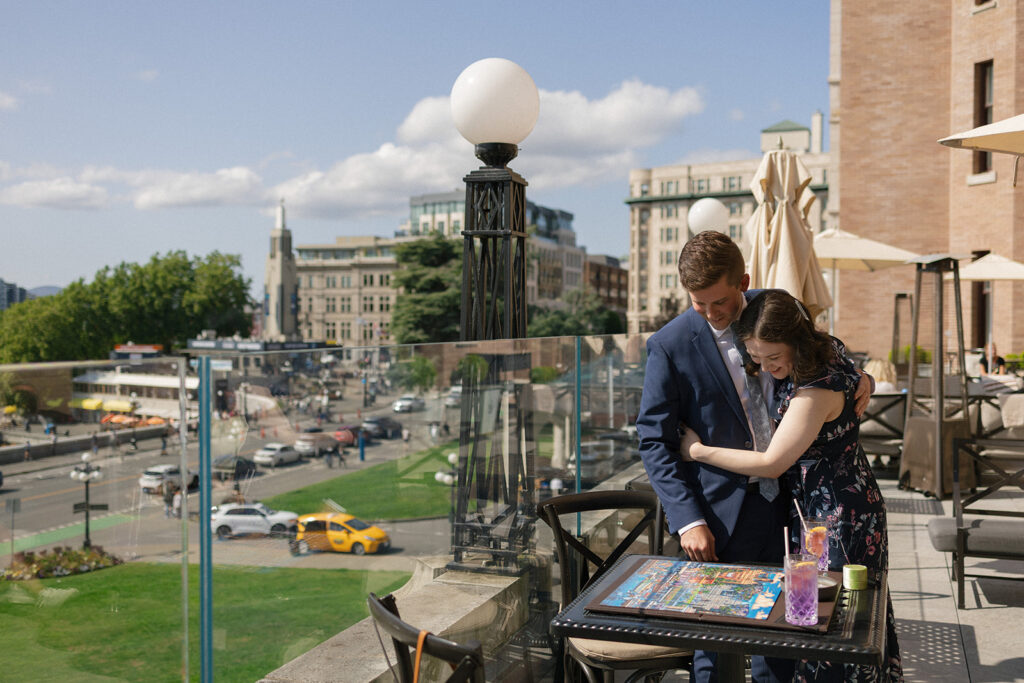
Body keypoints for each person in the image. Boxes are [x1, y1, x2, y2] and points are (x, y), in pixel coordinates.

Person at [637, 232, 873, 683]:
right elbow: (653, 440)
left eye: (720, 302)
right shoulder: (669, 344)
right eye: (698, 303)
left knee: (786, 640)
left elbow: (822, 351)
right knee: (714, 647)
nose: (711, 313)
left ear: (744, 281)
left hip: (795, 505)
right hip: (719, 516)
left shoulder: (777, 307)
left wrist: (863, 376)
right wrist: (688, 520)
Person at [680, 290, 902, 682]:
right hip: (834, 507)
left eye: (773, 358)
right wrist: (862, 376)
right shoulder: (827, 349)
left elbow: (771, 463)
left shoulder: (814, 391)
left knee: (837, 629)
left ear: (796, 343)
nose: (765, 367)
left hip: (838, 518)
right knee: (832, 620)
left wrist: (697, 450)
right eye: (756, 358)